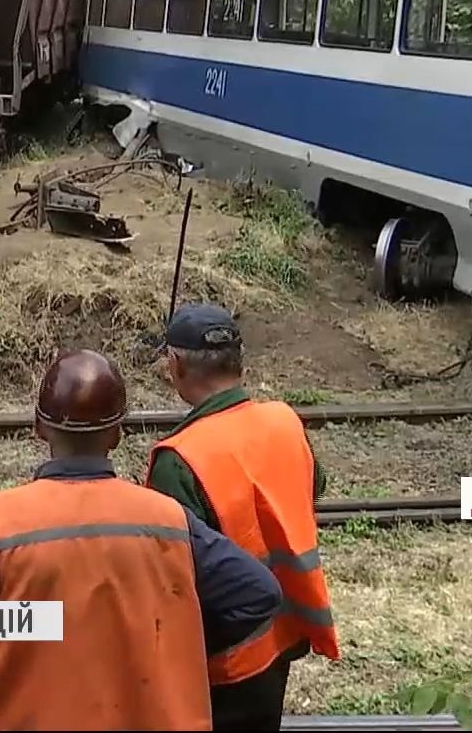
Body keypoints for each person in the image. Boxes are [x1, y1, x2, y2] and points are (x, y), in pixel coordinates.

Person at [0, 350, 283, 731]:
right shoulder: (169, 520)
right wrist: (167, 649)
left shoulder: (2, 523)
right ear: (117, 434)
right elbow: (260, 595)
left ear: (38, 427)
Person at [146, 303, 341, 732]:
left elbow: (171, 577)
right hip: (287, 630)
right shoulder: (284, 421)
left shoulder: (180, 460)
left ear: (175, 365)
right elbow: (315, 483)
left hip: (226, 659)